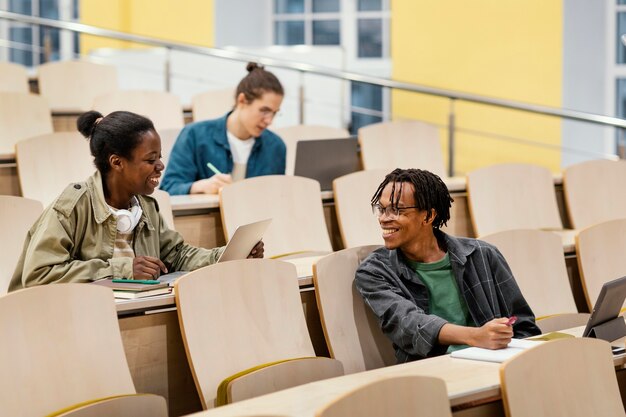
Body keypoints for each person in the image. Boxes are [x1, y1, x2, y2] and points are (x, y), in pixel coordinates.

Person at [9, 110, 263, 291]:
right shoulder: (72, 206)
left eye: (159, 157)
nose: (161, 166)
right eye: (150, 159)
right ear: (117, 162)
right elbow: (39, 274)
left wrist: (228, 255)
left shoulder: (145, 206)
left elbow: (177, 255)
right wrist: (123, 269)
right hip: (66, 320)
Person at [355, 168, 540, 363]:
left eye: (397, 210)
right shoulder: (374, 272)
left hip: (495, 365)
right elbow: (408, 324)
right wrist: (476, 336)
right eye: (382, 209)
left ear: (428, 216)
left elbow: (524, 327)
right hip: (430, 372)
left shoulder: (483, 254)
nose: (384, 218)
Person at [160, 62, 286, 195]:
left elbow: (278, 197)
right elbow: (168, 189)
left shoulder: (276, 146)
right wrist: (198, 187)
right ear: (241, 100)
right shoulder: (194, 135)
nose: (269, 120)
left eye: (274, 112)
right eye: (264, 111)